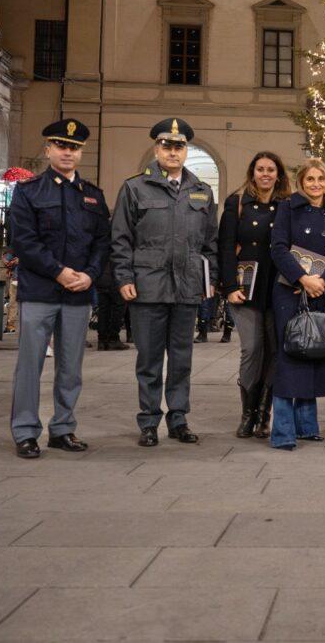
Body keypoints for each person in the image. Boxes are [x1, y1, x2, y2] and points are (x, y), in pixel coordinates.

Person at [111, 118, 218, 446]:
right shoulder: (134, 187)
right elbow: (120, 238)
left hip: (187, 287)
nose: (173, 152)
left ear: (187, 150)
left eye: (179, 146)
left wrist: (208, 281)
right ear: (156, 149)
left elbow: (210, 243)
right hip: (148, 286)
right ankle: (148, 421)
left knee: (182, 358)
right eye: (166, 146)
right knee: (149, 358)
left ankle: (178, 418)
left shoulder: (201, 190)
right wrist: (124, 276)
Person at [8, 119, 110, 459]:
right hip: (40, 291)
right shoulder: (29, 191)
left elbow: (102, 242)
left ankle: (63, 428)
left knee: (70, 367)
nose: (68, 152)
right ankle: (25, 431)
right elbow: (23, 240)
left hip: (78, 293)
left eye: (74, 147)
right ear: (49, 149)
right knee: (30, 366)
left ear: (81, 152)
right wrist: (59, 272)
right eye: (61, 145)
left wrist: (91, 274)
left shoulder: (93, 196)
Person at [269, 158, 325, 449]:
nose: (316, 184)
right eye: (310, 179)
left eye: (321, 179)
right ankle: (282, 432)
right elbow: (278, 248)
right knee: (290, 357)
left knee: (314, 353)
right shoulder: (288, 208)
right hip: (291, 291)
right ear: (301, 182)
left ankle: (307, 426)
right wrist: (302, 279)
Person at [217, 151, 291, 438]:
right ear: (252, 172)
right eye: (260, 169)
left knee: (274, 351)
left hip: (278, 289)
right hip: (245, 289)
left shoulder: (286, 206)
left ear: (278, 174)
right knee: (251, 349)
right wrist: (229, 287)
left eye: (271, 169)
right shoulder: (236, 204)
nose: (265, 174)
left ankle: (264, 412)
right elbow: (225, 248)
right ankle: (247, 414)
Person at [95, 261, 129, 351]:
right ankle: (113, 339)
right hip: (115, 277)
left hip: (101, 276)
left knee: (103, 309)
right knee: (118, 308)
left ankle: (102, 340)